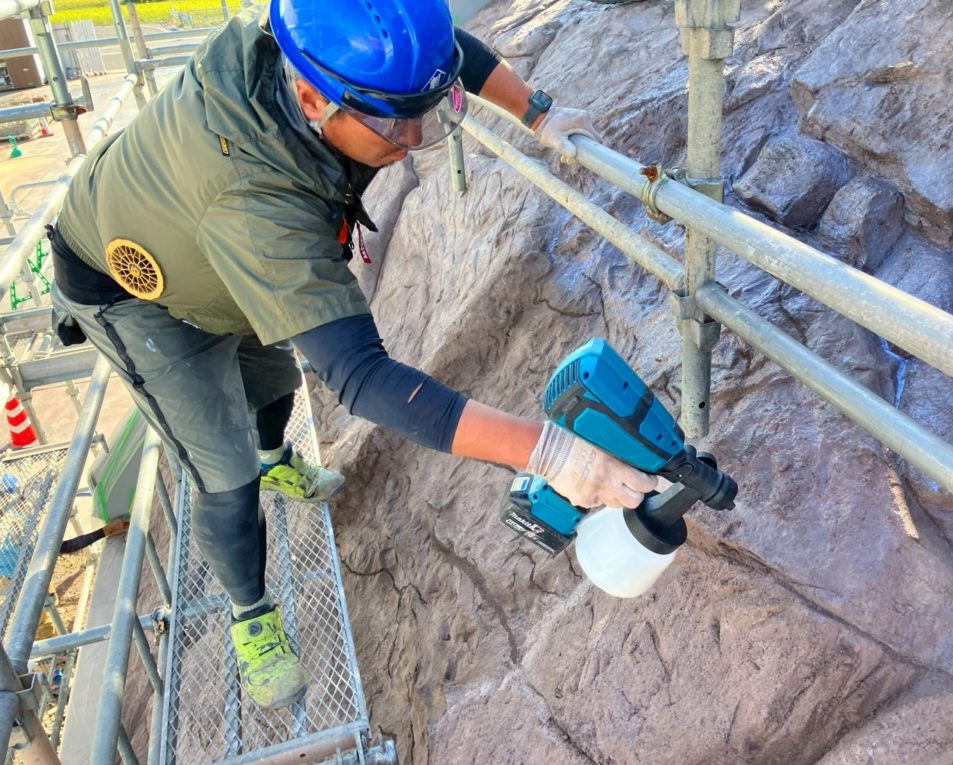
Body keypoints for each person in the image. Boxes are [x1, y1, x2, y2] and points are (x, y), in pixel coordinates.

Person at [48, 0, 657, 710]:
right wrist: (552, 454)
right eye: (393, 122)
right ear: (312, 100)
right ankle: (251, 613)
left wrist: (537, 111)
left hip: (206, 247)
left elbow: (434, 57)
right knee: (222, 467)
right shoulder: (256, 202)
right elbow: (361, 376)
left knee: (274, 376)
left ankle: (277, 458)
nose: (414, 136)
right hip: (134, 293)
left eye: (422, 114)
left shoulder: (322, 55)